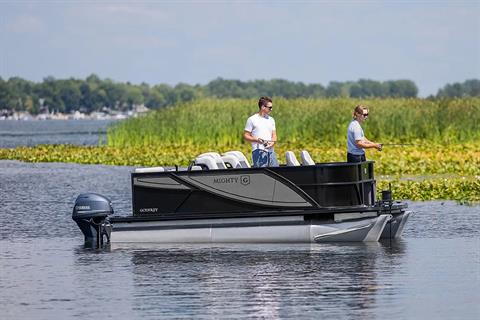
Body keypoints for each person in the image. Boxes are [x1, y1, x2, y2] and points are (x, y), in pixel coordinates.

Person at [243, 96, 279, 167]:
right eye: (270, 107)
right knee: (261, 173)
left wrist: (272, 142)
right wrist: (257, 140)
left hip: (271, 151)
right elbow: (246, 135)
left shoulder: (271, 119)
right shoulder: (252, 119)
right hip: (258, 151)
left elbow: (274, 135)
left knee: (276, 171)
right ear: (263, 107)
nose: (271, 109)